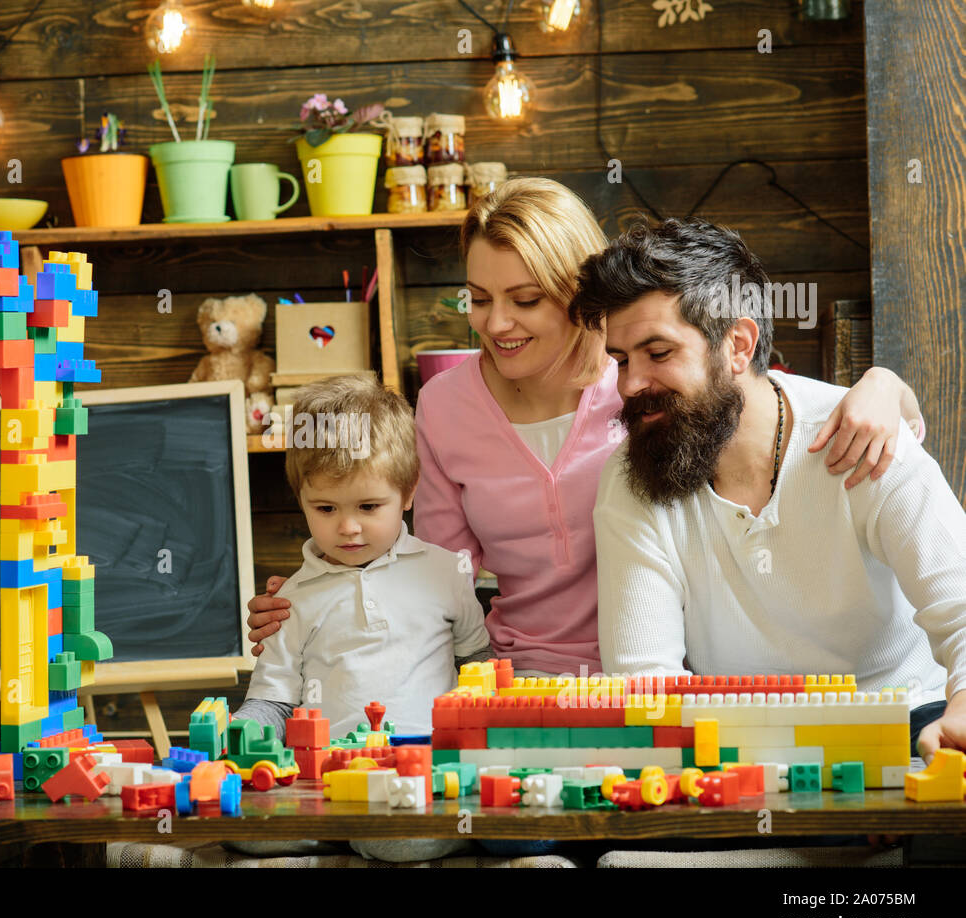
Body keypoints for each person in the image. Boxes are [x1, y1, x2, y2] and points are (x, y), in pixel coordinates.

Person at [248, 178, 924, 681]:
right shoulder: (444, 407)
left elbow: (757, 401)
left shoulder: (643, 384)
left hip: (672, 669)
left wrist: (887, 385)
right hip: (517, 675)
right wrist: (322, 591)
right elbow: (433, 579)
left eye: (525, 299)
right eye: (479, 299)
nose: (496, 324)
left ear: (581, 295)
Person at [575, 217, 966, 758]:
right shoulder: (630, 475)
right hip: (732, 737)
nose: (629, 384)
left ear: (738, 343)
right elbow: (646, 685)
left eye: (658, 353)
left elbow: (961, 606)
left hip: (898, 714)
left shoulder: (863, 433)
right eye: (620, 360)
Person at [230, 372, 485, 862]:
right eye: (325, 507)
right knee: (245, 831)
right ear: (300, 499)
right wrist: (239, 735)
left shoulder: (444, 573)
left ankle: (397, 831)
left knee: (394, 836)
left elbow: (479, 667)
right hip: (321, 783)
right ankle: (338, 830)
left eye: (369, 506)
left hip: (418, 780)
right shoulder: (292, 598)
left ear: (408, 492)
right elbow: (272, 702)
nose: (347, 528)